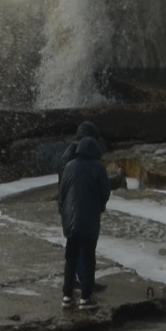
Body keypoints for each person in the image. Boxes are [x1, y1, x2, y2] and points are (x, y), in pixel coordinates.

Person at [56, 127, 110, 311]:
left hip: (70, 221)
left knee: (70, 258)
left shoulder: (70, 165)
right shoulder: (98, 167)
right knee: (88, 259)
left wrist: (65, 213)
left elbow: (62, 192)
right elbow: (105, 192)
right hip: (89, 221)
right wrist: (99, 206)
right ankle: (85, 298)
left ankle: (67, 296)